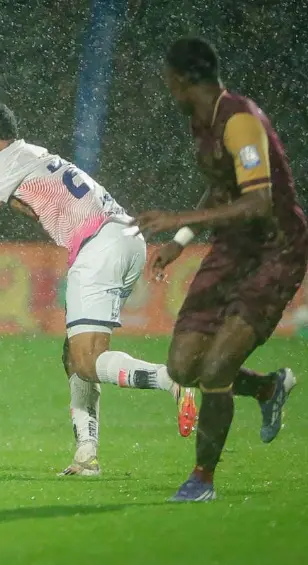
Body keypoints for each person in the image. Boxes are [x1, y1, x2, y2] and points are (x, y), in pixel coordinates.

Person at [0, 102, 197, 476]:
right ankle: (86, 455)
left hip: (99, 245)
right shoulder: (28, 157)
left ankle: (171, 379)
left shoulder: (7, 161)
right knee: (74, 355)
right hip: (126, 239)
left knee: (87, 360)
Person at [132, 37, 306, 501]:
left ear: (184, 78)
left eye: (168, 77)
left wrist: (180, 219)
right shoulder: (201, 121)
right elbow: (221, 189)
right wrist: (180, 240)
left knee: (217, 367)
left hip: (276, 250)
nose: (165, 86)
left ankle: (202, 479)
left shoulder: (241, 121)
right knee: (183, 366)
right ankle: (269, 388)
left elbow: (258, 200)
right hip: (231, 249)